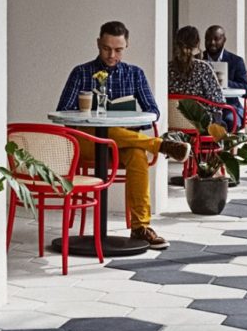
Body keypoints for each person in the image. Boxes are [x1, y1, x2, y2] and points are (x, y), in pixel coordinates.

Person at [56, 21, 187, 251]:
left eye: (118, 50)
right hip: (88, 144)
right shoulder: (81, 72)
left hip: (122, 146)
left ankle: (140, 227)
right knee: (110, 132)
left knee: (137, 153)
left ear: (126, 46)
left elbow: (153, 112)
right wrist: (88, 112)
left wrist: (129, 114)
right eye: (107, 48)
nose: (111, 55)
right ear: (98, 43)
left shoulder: (134, 74)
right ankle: (159, 145)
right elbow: (63, 112)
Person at [200, 24, 247, 128]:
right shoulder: (198, 60)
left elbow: (246, 90)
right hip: (204, 108)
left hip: (230, 107)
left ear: (224, 40)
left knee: (230, 121)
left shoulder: (236, 61)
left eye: (216, 39)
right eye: (208, 39)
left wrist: (225, 81)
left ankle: (224, 143)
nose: (212, 42)